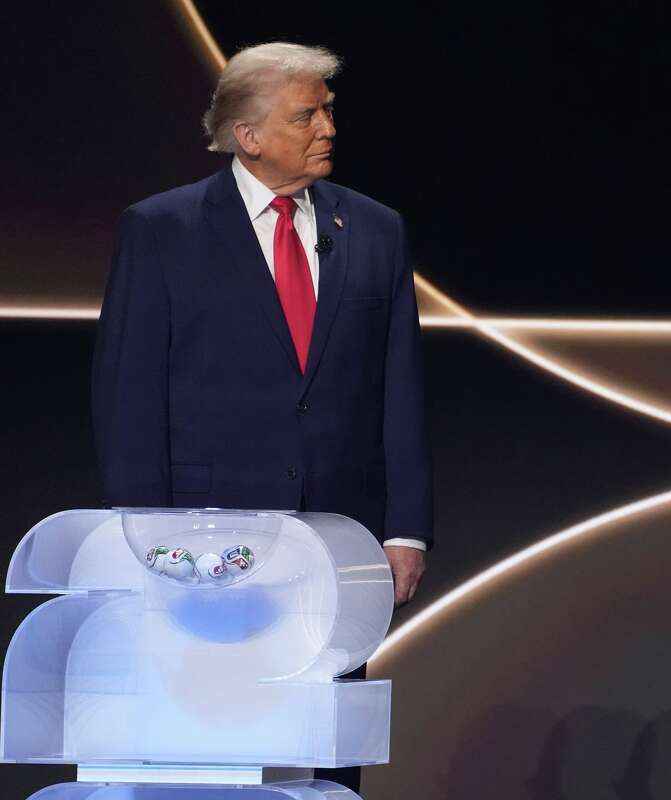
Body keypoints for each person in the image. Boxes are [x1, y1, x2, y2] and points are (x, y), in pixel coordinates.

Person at [91, 42, 431, 794]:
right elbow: (129, 395)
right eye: (306, 115)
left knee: (325, 750)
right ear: (246, 135)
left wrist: (404, 529)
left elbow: (399, 385)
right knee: (213, 739)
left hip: (339, 541)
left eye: (328, 111)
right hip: (204, 544)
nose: (327, 128)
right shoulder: (164, 228)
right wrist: (145, 539)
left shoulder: (375, 229)